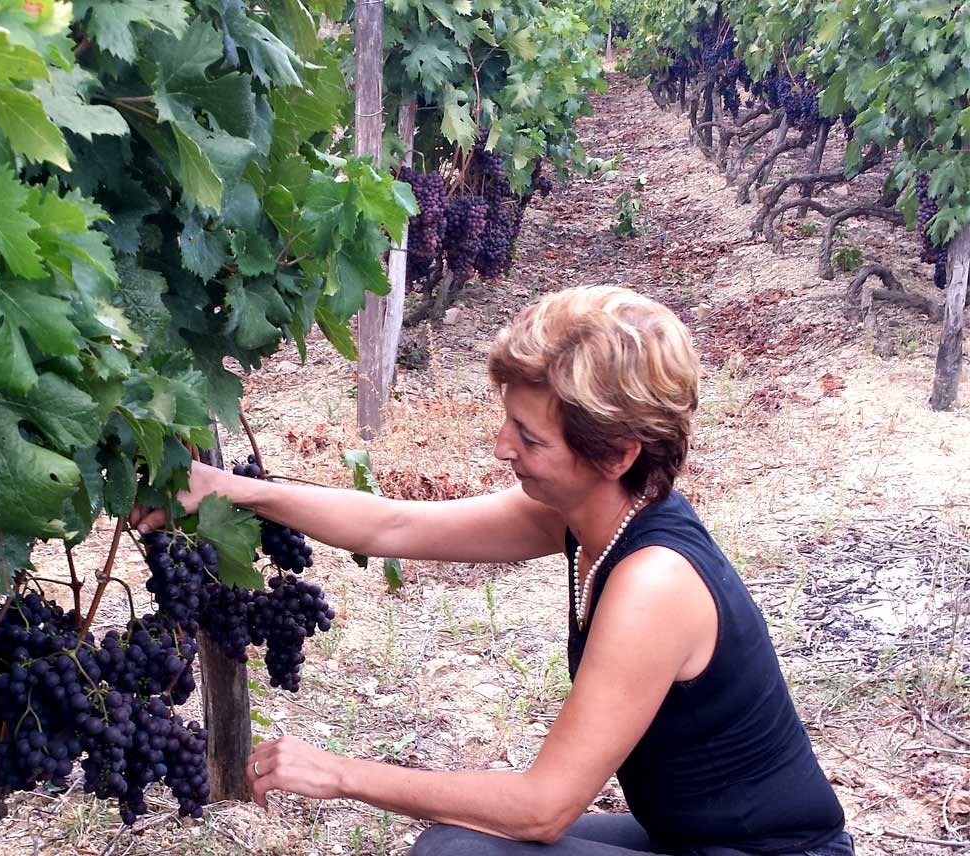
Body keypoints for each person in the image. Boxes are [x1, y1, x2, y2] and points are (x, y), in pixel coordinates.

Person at [130, 285, 853, 856]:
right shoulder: (591, 512)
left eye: (530, 436)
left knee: (457, 851)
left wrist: (341, 773)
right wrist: (237, 491)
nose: (501, 445)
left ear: (616, 454)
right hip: (690, 838)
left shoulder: (655, 582)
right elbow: (394, 524)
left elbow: (544, 808)